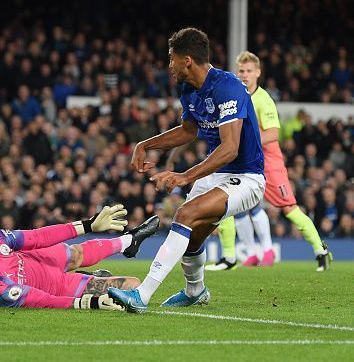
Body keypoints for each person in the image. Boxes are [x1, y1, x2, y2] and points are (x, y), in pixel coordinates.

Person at [108, 27, 265, 312]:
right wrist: (146, 144)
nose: (169, 65)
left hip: (248, 177)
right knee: (193, 234)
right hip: (219, 176)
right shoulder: (188, 89)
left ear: (187, 60)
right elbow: (188, 131)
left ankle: (142, 295)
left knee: (185, 214)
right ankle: (195, 291)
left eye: (171, 59)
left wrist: (185, 176)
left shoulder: (227, 86)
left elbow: (230, 148)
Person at [205, 51, 331, 271]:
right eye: (241, 71)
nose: (244, 75)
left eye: (248, 71)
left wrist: (246, 142)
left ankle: (320, 250)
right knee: (222, 199)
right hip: (243, 162)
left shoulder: (263, 100)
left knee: (289, 209)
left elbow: (273, 134)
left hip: (268, 162)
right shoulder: (236, 96)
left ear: (258, 73)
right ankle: (229, 257)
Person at [0, 204, 160, 309]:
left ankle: (129, 241)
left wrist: (88, 225)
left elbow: (37, 237)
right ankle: (91, 277)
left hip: (35, 258)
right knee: (133, 286)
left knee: (75, 254)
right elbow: (41, 300)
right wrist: (89, 303)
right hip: (53, 287)